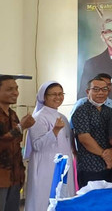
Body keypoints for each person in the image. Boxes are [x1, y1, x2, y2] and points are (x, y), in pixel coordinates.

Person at [24, 81, 75, 211]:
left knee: (63, 195)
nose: (58, 97)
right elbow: (37, 145)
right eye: (53, 94)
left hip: (62, 164)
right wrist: (54, 131)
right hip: (45, 165)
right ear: (44, 97)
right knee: (44, 197)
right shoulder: (39, 118)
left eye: (60, 94)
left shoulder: (61, 116)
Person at [72, 77, 112, 188]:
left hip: (109, 165)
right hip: (89, 166)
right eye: (96, 89)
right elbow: (84, 138)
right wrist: (105, 156)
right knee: (90, 202)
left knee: (106, 201)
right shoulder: (81, 111)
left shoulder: (110, 111)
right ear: (88, 91)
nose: (100, 92)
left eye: (104, 89)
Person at [0, 76, 35, 211]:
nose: (15, 92)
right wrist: (20, 128)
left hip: (15, 177)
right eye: (10, 89)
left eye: (16, 88)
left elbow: (16, 144)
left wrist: (21, 172)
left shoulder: (12, 114)